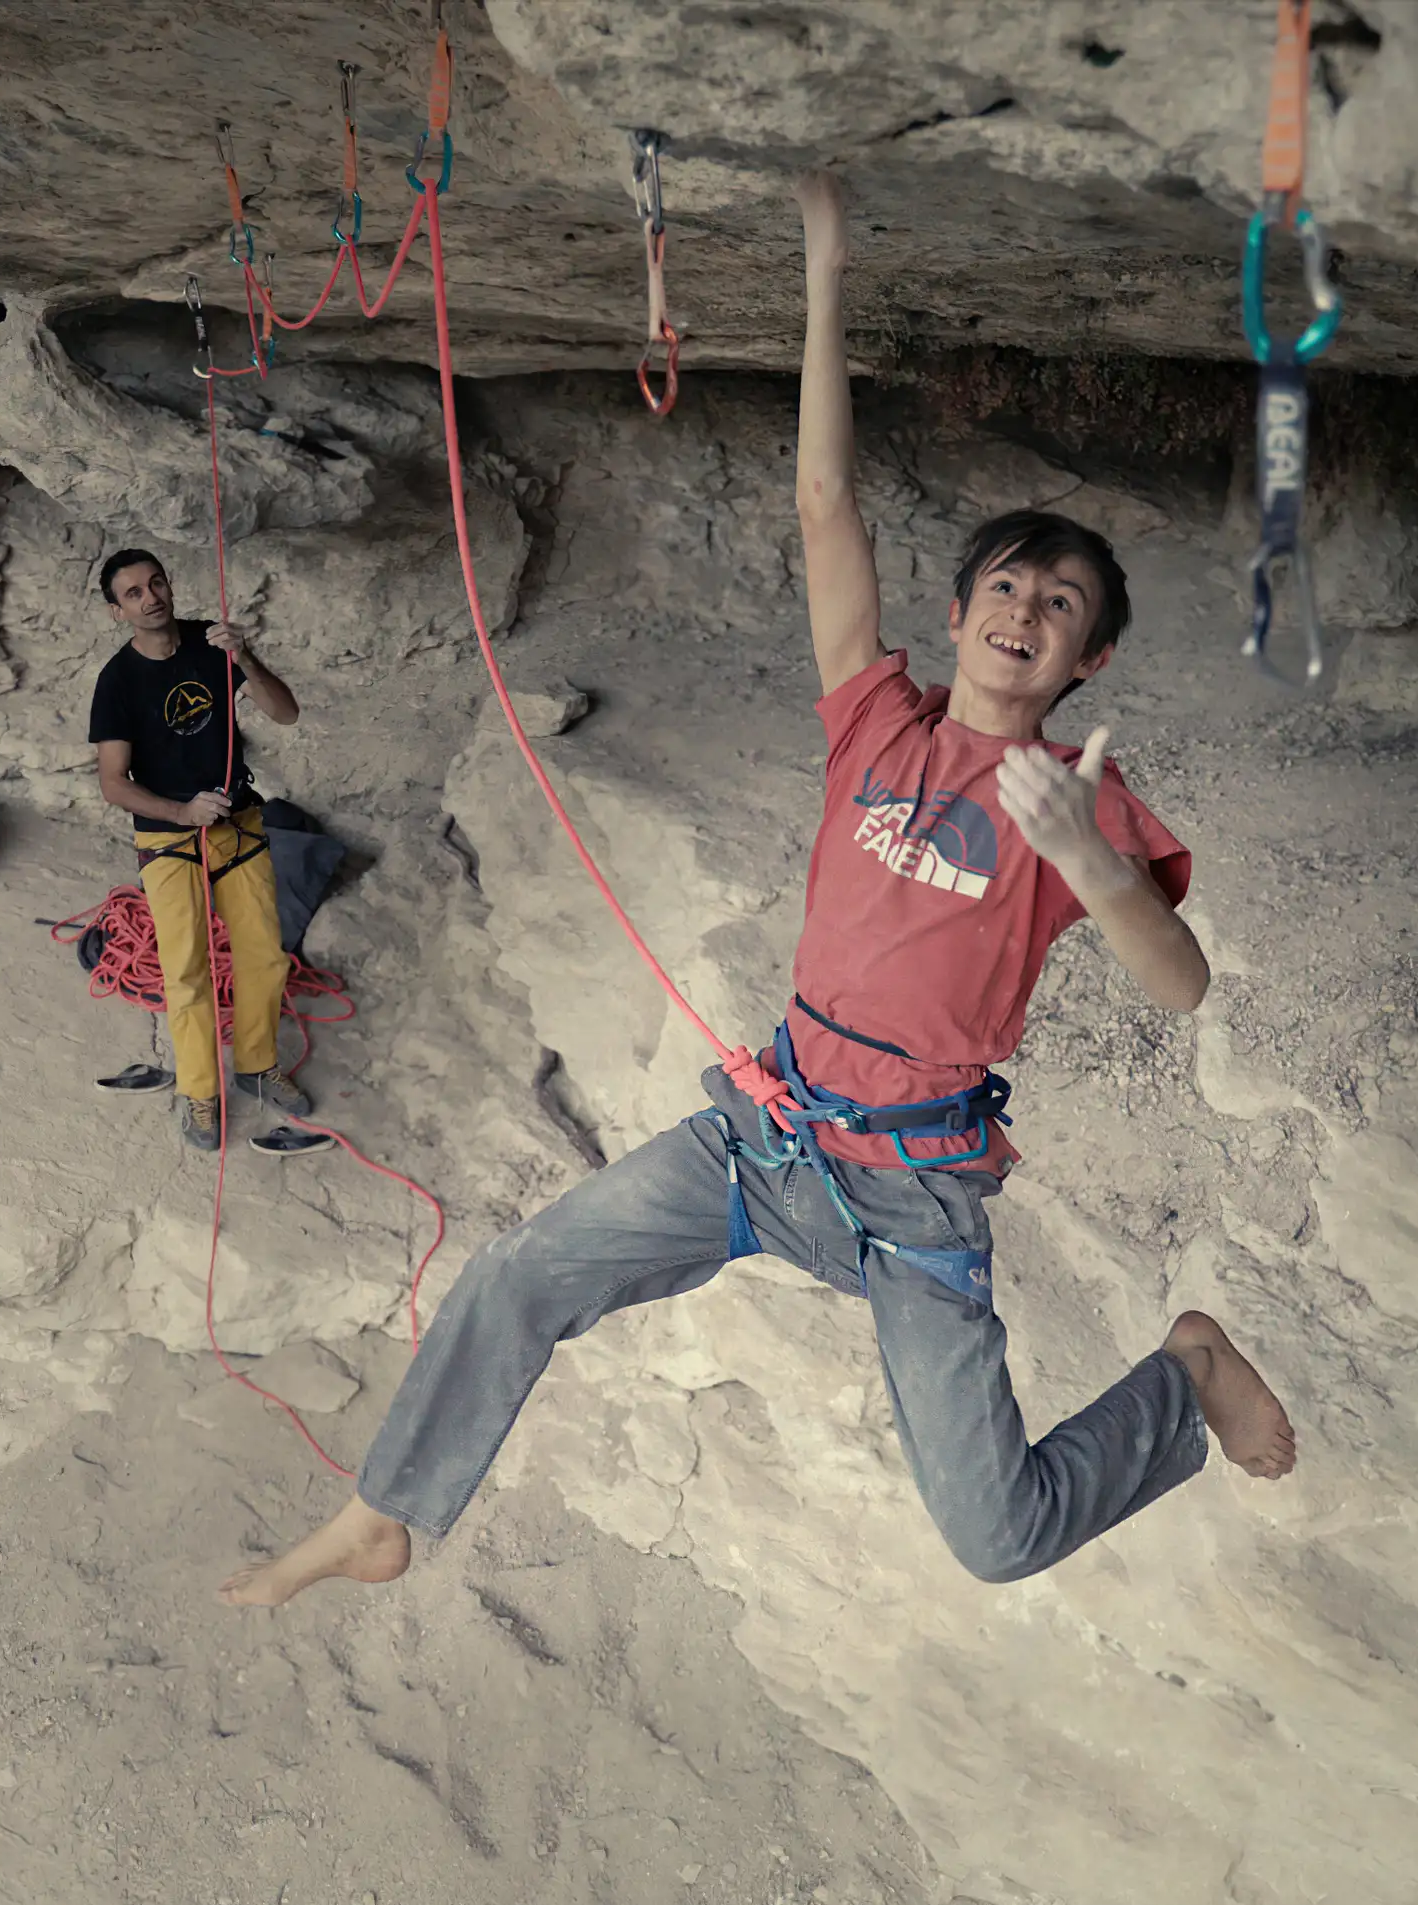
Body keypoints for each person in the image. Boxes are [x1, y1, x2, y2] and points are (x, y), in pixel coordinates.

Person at [219, 172, 1295, 1610]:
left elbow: (1186, 986)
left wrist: (1092, 864)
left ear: (1087, 662)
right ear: (961, 606)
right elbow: (822, 501)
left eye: (1063, 610)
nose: (1027, 614)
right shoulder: (879, 723)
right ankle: (388, 1509)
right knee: (518, 1272)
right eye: (1012, 585)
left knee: (1000, 1536)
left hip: (917, 1193)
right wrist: (826, 270)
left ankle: (1190, 1368)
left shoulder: (1078, 805)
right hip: (766, 1138)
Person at [88, 549, 331, 1157]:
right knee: (187, 971)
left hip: (236, 823)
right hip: (170, 836)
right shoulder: (117, 682)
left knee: (264, 957)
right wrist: (181, 812)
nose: (151, 598)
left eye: (156, 584)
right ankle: (201, 1090)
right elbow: (113, 782)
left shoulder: (209, 644)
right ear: (118, 612)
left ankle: (256, 1064)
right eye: (134, 595)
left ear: (169, 586)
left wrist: (244, 655)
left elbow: (287, 713)